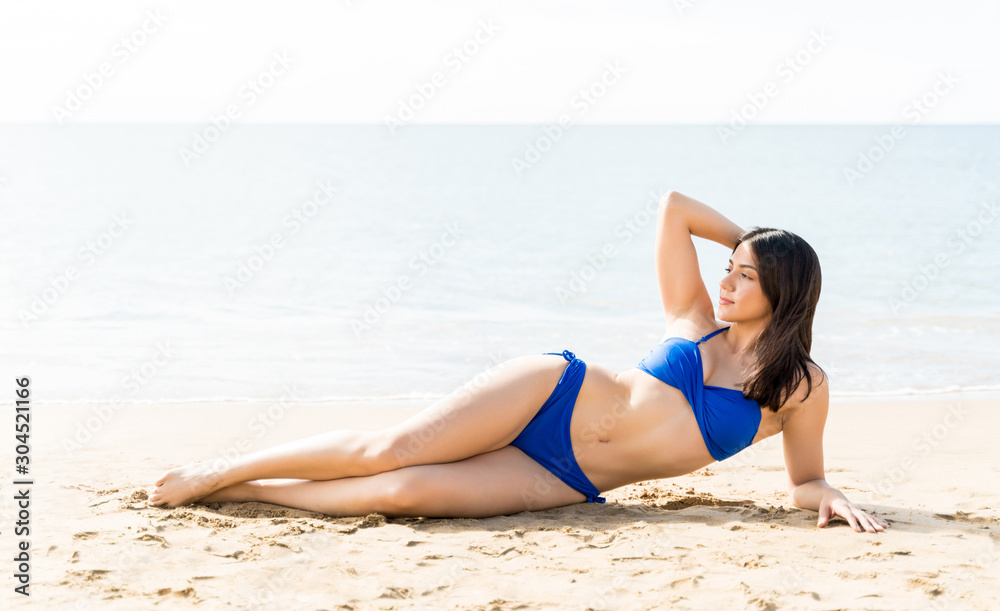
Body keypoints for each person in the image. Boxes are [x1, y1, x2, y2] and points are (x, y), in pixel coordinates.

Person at [151, 191, 887, 533]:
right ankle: (219, 471)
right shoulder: (694, 318)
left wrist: (831, 496)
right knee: (391, 448)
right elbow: (673, 209)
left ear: (783, 291)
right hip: (551, 392)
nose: (724, 280)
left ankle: (248, 494)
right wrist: (755, 239)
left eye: (745, 275)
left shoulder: (800, 388)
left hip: (564, 477)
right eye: (726, 266)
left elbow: (805, 479)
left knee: (402, 492)